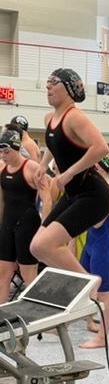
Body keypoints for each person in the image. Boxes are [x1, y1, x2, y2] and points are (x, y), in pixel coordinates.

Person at [29, 68, 109, 275]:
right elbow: (55, 143)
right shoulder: (51, 118)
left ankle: (87, 284)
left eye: (54, 82)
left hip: (93, 195)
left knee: (48, 244)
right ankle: (76, 283)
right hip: (72, 194)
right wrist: (42, 165)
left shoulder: (74, 116)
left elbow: (101, 147)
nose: (48, 86)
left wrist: (69, 173)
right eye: (47, 81)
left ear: (68, 89)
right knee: (36, 247)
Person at [0, 129, 51, 303]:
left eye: (7, 152)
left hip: (27, 225)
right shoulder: (1, 168)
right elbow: (1, 201)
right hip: (7, 225)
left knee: (28, 276)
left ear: (17, 148)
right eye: (1, 152)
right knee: (3, 273)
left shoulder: (32, 168)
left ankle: (40, 317)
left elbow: (47, 200)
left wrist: (44, 228)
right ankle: (1, 318)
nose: (4, 156)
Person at [79, 155, 109, 349]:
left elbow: (97, 221)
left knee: (104, 294)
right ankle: (89, 322)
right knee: (84, 286)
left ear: (100, 169)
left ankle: (102, 338)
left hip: (102, 247)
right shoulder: (99, 190)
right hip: (91, 244)